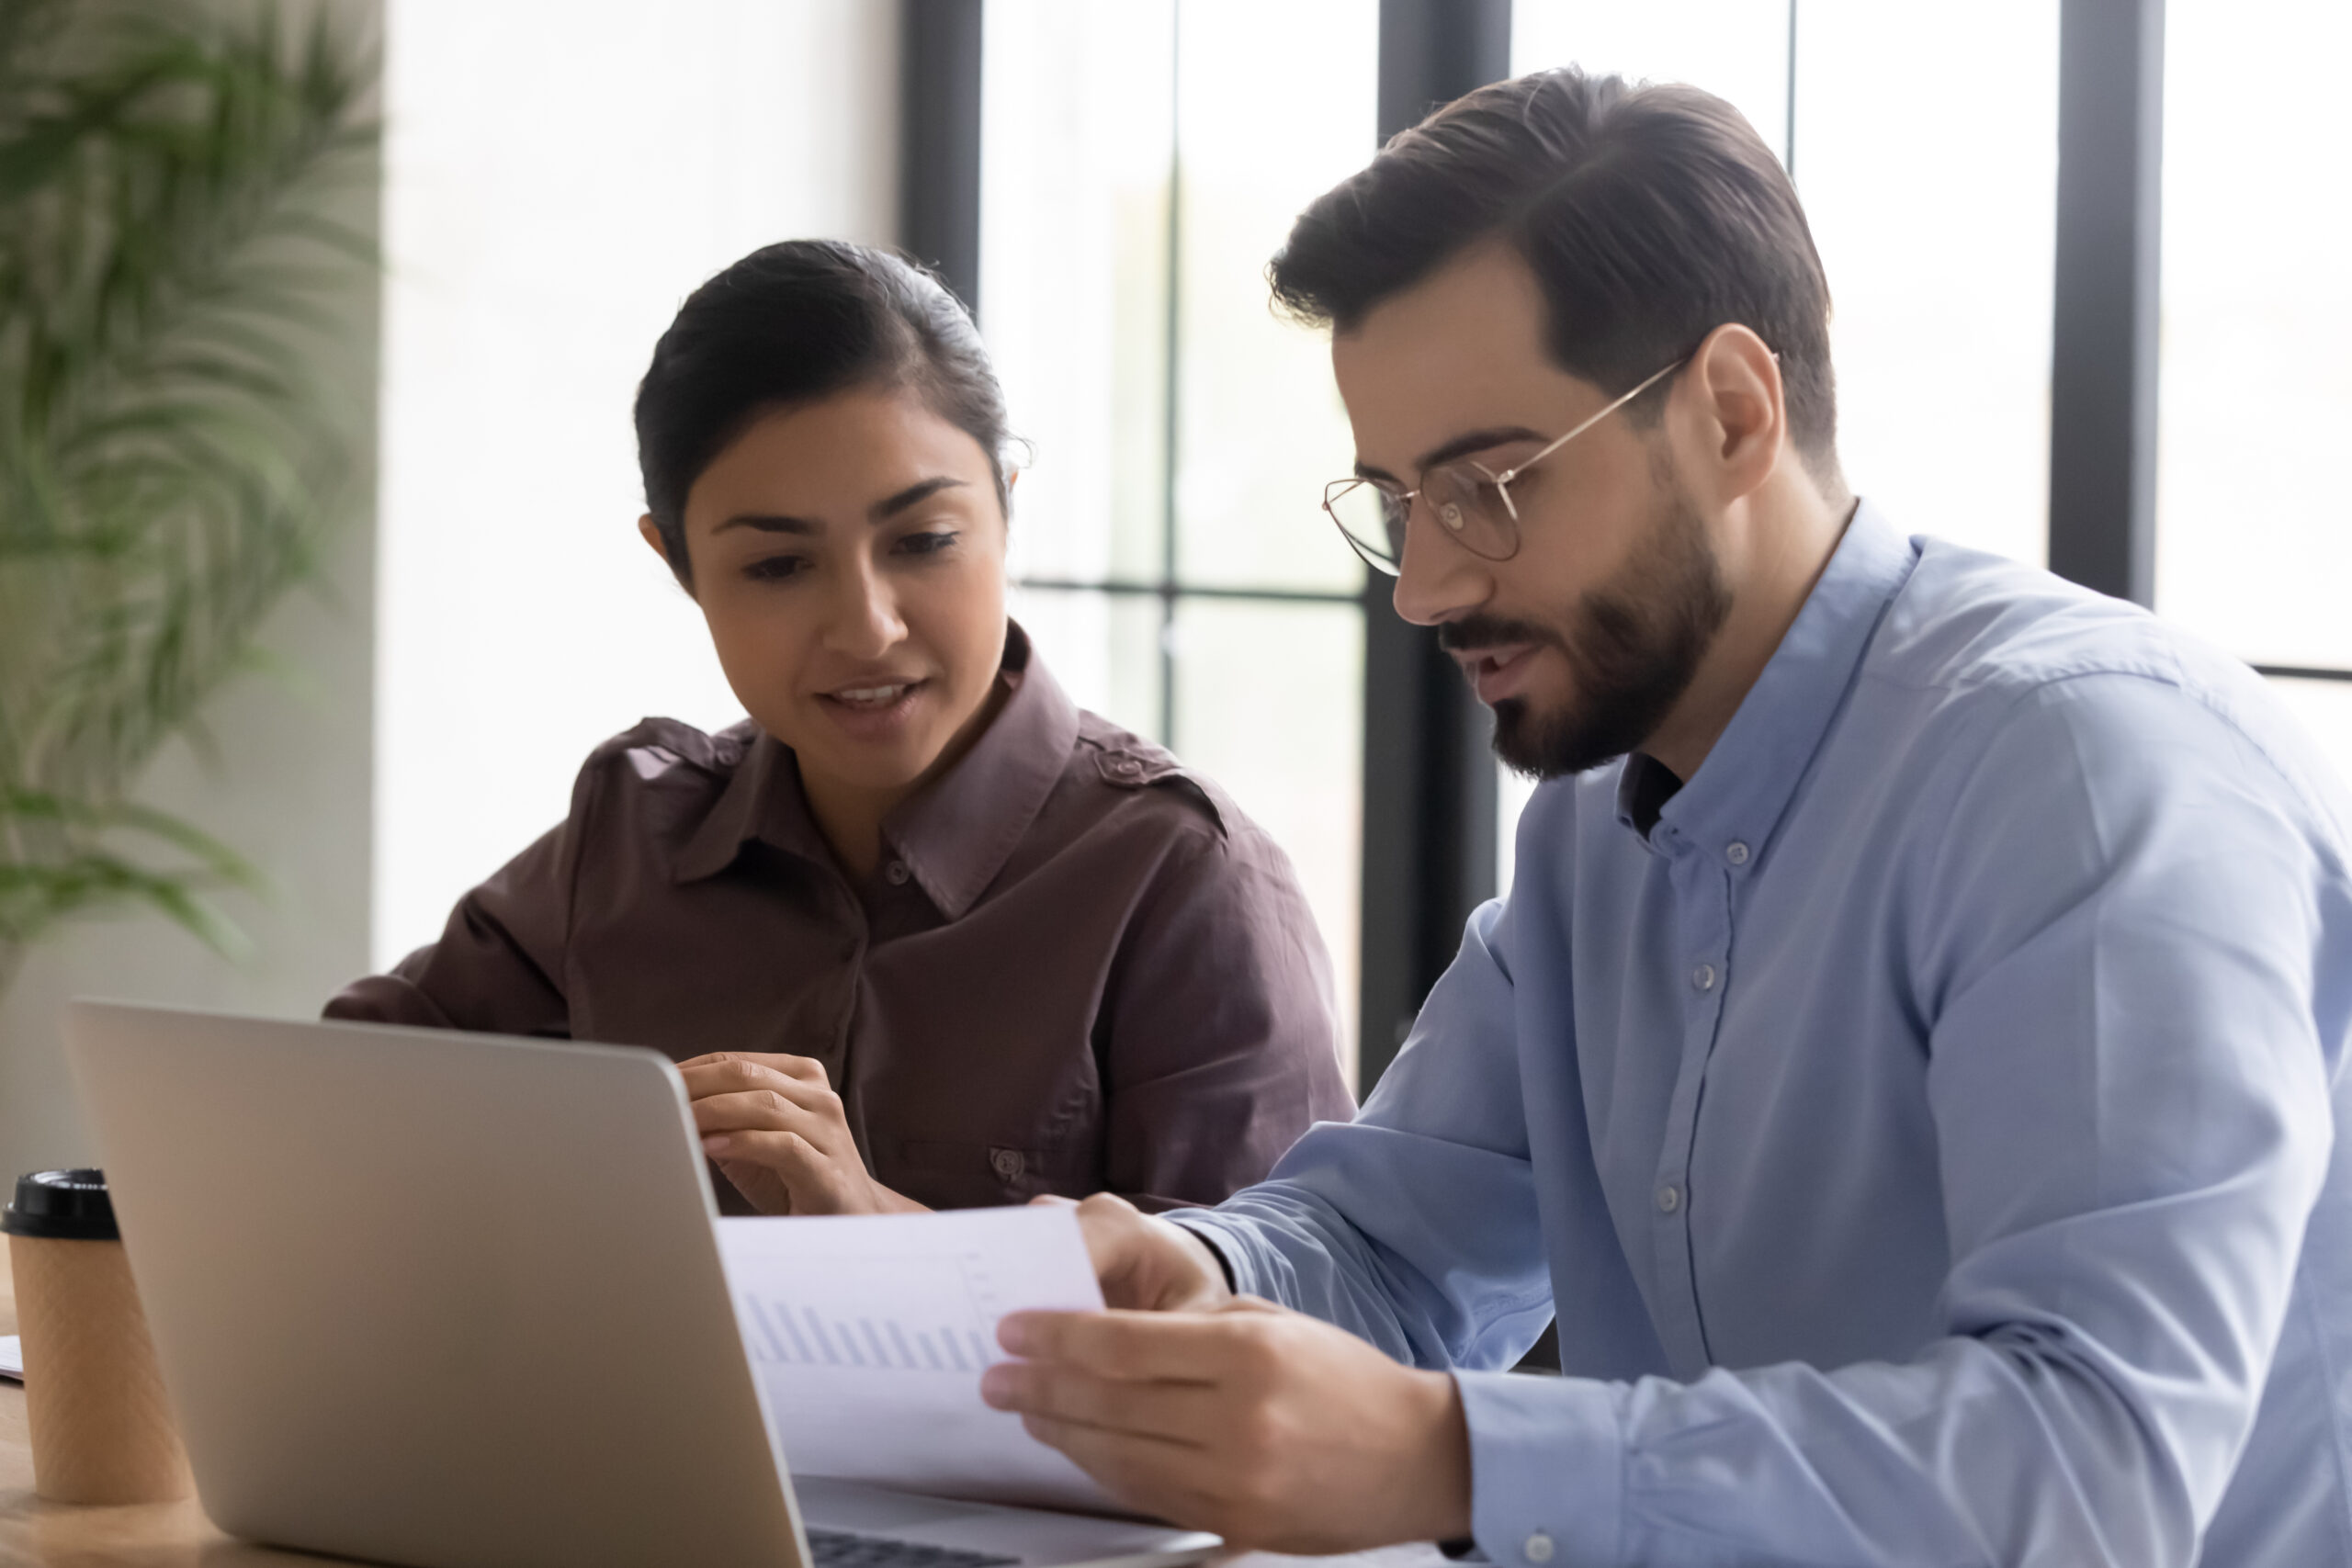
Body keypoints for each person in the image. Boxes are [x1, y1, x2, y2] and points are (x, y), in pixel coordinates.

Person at [978, 68, 2352, 1567]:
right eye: (1395, 503)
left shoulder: (2083, 775)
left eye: (1488, 486)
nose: (1426, 588)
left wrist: (1451, 1456)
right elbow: (1400, 1237)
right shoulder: (1592, 818)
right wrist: (1181, 1269)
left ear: (1732, 414)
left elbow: (2091, 1465)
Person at [327, 240, 1352, 1216]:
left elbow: (1257, 1353)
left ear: (1006, 507)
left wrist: (877, 1231)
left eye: (925, 540)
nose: (868, 627)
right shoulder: (635, 835)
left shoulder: (1183, 881)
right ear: (678, 565)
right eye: (777, 566)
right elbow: (331, 1103)